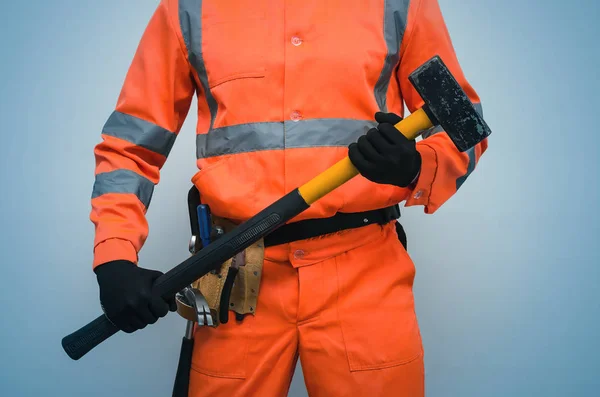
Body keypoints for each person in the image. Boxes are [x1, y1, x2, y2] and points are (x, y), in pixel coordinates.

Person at [90, 0, 488, 396]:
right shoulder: (187, 9)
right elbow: (129, 148)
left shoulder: (400, 4)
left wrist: (415, 166)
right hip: (236, 276)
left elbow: (465, 129)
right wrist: (114, 255)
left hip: (365, 273)